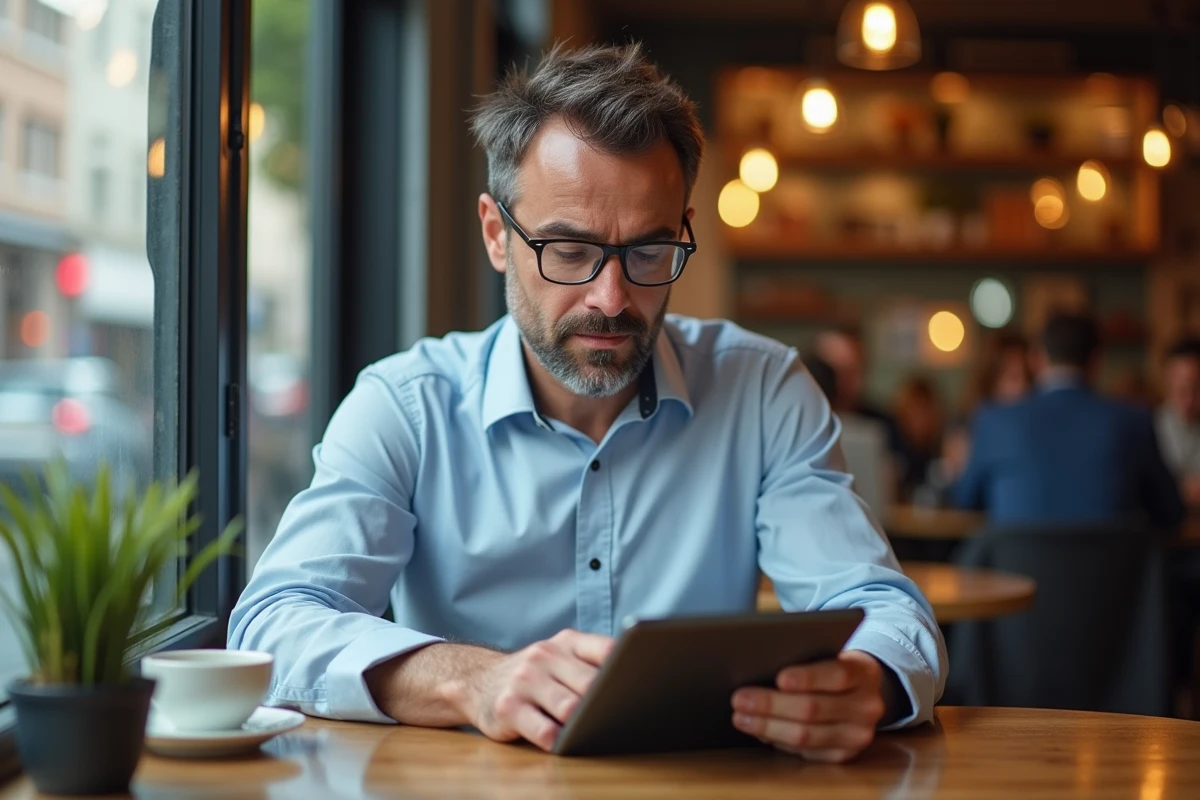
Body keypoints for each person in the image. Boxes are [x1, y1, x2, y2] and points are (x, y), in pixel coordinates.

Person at [229, 42, 945, 763]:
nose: (611, 298)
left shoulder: (762, 391)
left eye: (649, 252)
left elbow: (886, 611)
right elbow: (272, 624)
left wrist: (867, 681)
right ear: (496, 234)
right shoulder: (406, 408)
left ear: (684, 231)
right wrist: (471, 681)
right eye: (569, 252)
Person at [953, 312, 1184, 529]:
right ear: (1097, 361)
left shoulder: (994, 421)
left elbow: (964, 501)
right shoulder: (1135, 422)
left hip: (1017, 560)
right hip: (1111, 560)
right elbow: (1170, 511)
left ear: (1036, 359)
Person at [1155, 338, 1200, 510]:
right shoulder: (1151, 429)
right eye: (1181, 389)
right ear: (1167, 383)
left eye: (1196, 389)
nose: (1189, 400)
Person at [891, 376, 946, 501]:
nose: (919, 416)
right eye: (914, 408)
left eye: (924, 408)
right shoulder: (892, 447)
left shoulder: (941, 449)